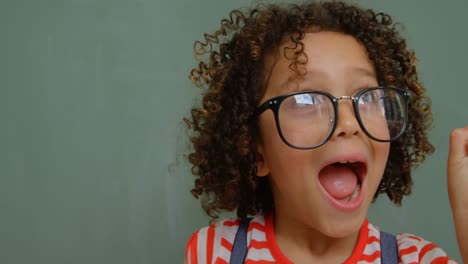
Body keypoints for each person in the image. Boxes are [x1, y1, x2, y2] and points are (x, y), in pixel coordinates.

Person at [183, 1, 468, 263]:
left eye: (368, 96)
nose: (348, 123)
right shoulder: (216, 251)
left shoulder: (418, 260)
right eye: (306, 100)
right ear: (256, 150)